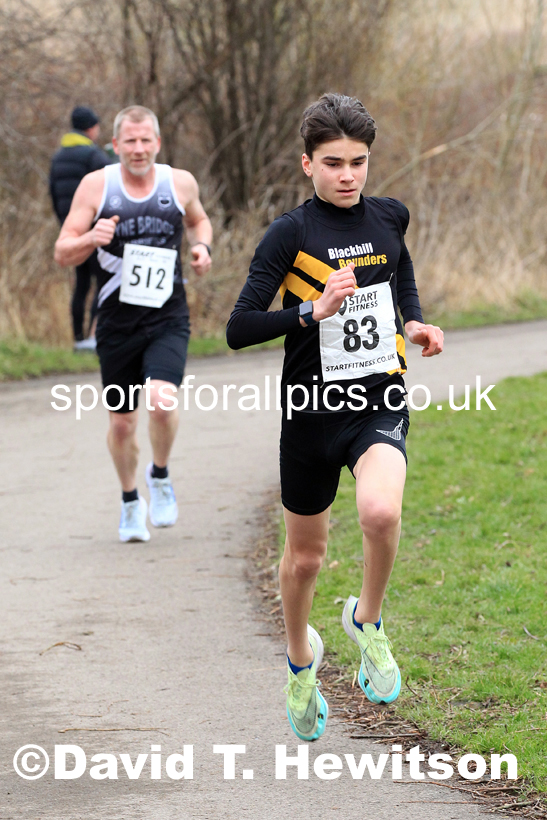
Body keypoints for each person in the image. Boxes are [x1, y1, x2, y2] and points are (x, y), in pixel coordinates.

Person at [226, 93, 443, 741]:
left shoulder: (389, 217)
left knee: (380, 512)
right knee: (305, 560)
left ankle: (367, 622)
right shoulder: (290, 234)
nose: (347, 175)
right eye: (332, 163)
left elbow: (397, 272)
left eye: (358, 162)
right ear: (306, 164)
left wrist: (412, 320)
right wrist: (309, 313)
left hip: (377, 395)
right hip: (310, 413)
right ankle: (300, 664)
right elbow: (237, 328)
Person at [54, 105, 212, 542]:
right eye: (130, 141)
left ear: (157, 143)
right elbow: (62, 250)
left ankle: (159, 475)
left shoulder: (178, 182)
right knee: (122, 423)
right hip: (117, 323)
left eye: (146, 141)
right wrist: (91, 238)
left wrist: (202, 248)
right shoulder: (96, 186)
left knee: (162, 401)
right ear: (116, 145)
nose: (138, 149)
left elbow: (199, 220)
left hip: (167, 317)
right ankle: (129, 501)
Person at [49, 106, 111, 351]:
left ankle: (77, 338)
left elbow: (53, 194)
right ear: (91, 128)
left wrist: (66, 226)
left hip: (71, 231)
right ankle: (93, 338)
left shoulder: (58, 157)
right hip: (96, 232)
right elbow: (113, 184)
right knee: (101, 282)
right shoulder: (93, 156)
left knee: (81, 284)